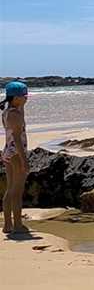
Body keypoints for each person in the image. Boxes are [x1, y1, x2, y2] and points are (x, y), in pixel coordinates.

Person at [2, 81, 29, 234]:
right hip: (16, 153)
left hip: (8, 151)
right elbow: (17, 138)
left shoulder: (7, 112)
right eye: (24, 96)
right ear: (16, 98)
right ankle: (17, 225)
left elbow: (11, 135)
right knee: (16, 191)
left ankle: (8, 225)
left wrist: (22, 104)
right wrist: (24, 160)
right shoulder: (15, 115)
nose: (27, 99)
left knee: (11, 189)